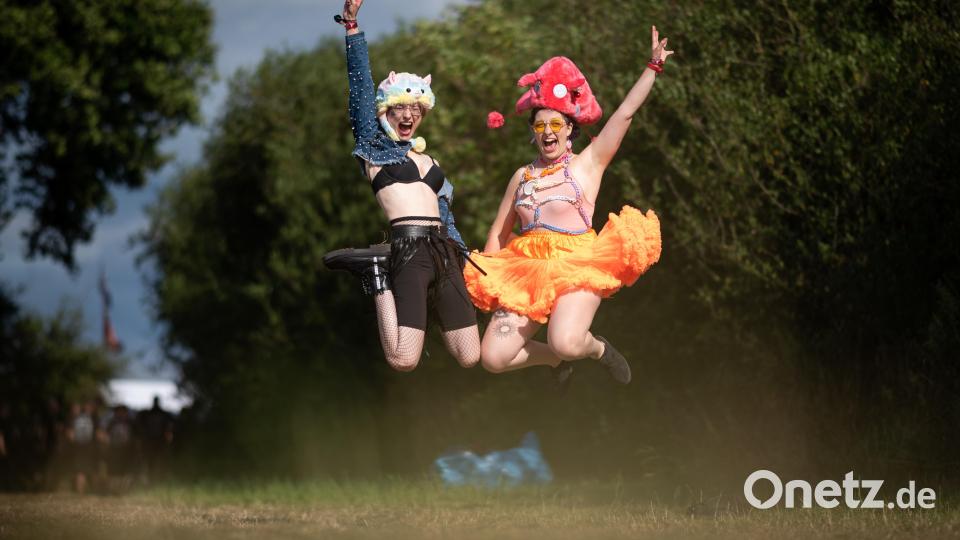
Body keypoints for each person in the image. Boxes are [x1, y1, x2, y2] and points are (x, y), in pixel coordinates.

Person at [464, 27, 671, 386]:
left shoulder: (587, 164)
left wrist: (653, 67)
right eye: (540, 124)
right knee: (493, 358)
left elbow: (623, 114)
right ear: (532, 130)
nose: (548, 132)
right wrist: (490, 284)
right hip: (526, 269)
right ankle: (554, 363)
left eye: (555, 124)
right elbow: (498, 233)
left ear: (569, 128)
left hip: (577, 263)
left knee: (567, 341)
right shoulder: (522, 176)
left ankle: (597, 350)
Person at [323, 0, 480, 371]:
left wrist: (462, 254)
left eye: (416, 110)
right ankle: (377, 274)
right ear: (385, 111)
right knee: (403, 358)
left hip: (444, 250)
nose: (408, 116)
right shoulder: (373, 148)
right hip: (407, 249)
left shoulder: (431, 162)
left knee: (470, 355)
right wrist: (352, 29)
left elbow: (447, 215)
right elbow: (360, 90)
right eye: (399, 109)